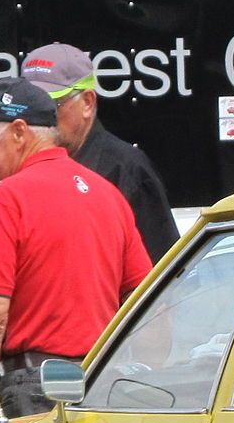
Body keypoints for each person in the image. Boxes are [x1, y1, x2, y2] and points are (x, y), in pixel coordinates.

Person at [0, 77, 151, 422]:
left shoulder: (4, 202)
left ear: (20, 132)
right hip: (107, 386)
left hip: (35, 389)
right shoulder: (108, 195)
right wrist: (141, 378)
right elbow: (149, 308)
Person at [19, 43, 181, 261]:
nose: (36, 117)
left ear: (87, 102)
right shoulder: (20, 169)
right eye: (27, 106)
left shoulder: (126, 170)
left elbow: (163, 273)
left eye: (51, 104)